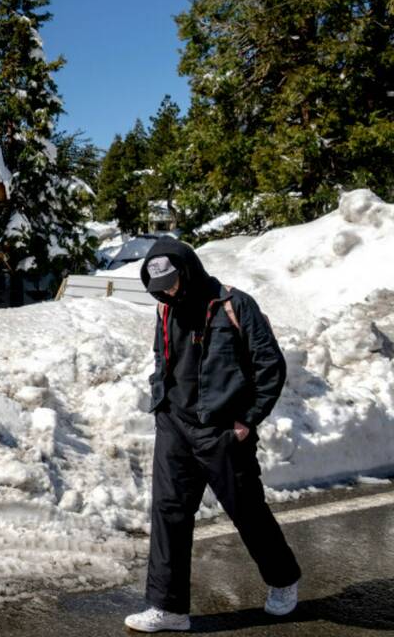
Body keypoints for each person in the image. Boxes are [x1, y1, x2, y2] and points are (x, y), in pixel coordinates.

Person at [124, 237, 301, 633]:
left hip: (223, 430)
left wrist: (247, 420)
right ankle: (168, 607)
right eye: (160, 288)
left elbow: (270, 366)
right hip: (175, 426)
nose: (168, 292)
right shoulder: (164, 308)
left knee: (247, 511)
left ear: (189, 270)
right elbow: (162, 358)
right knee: (168, 513)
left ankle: (283, 580)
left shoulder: (234, 306)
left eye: (171, 283)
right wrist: (161, 402)